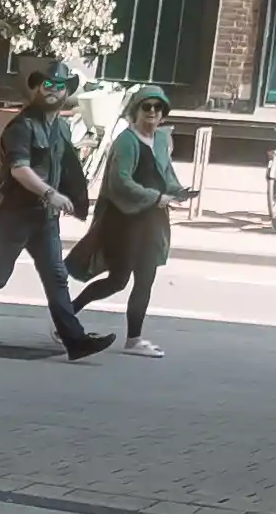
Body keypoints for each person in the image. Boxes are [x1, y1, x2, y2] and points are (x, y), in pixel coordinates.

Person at [0, 67, 107, 357]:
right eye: (48, 84)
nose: (53, 90)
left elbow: (63, 166)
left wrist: (71, 197)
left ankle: (75, 341)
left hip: (45, 219)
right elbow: (19, 170)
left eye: (60, 86)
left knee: (57, 277)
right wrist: (51, 194)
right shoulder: (21, 127)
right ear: (37, 87)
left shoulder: (61, 128)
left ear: (67, 92)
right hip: (15, 216)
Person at [70, 82, 192, 355]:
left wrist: (178, 192)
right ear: (135, 111)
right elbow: (120, 181)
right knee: (118, 280)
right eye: (146, 106)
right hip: (125, 220)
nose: (152, 112)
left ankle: (134, 340)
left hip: (153, 220)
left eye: (158, 107)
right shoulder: (127, 141)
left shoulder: (161, 139)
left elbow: (166, 174)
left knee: (146, 278)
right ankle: (65, 316)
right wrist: (155, 197)